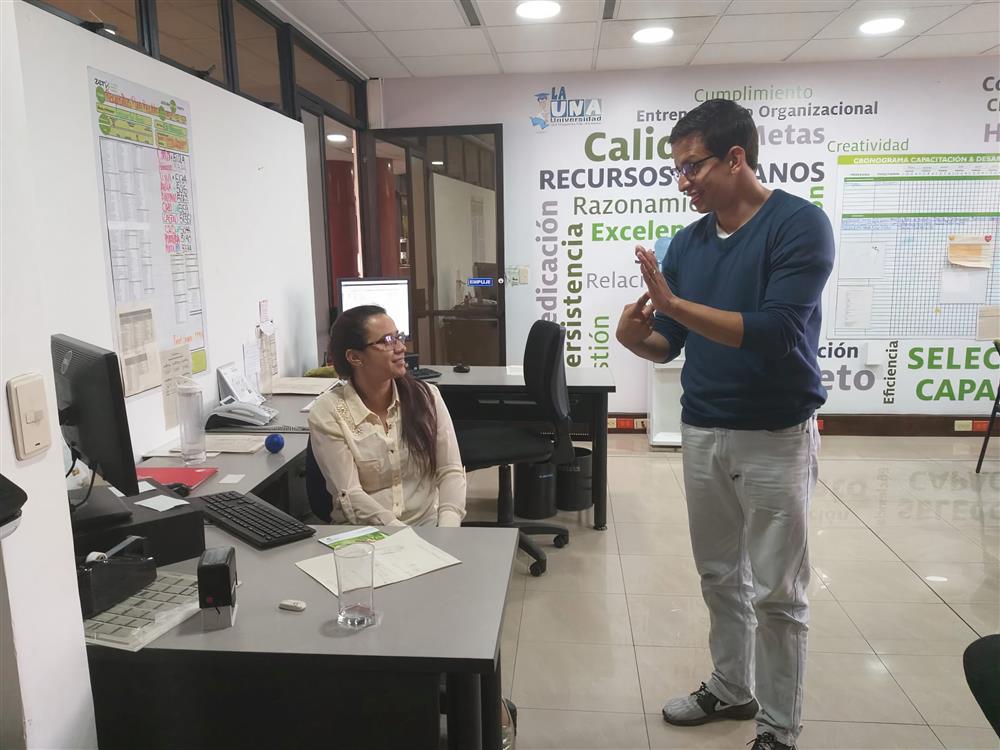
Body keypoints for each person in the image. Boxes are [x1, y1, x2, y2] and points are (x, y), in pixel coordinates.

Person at [616, 99, 834, 750]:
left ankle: (777, 729)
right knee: (719, 576)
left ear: (737, 158)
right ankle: (731, 689)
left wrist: (676, 302)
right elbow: (672, 344)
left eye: (693, 167)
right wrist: (638, 339)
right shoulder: (687, 243)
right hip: (704, 429)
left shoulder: (799, 225)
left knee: (776, 593)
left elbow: (773, 333)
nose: (684, 181)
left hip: (776, 434)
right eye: (678, 170)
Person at [308, 305, 466, 528]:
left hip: (428, 529)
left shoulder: (427, 397)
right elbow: (351, 494)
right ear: (355, 357)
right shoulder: (329, 411)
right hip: (364, 534)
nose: (401, 347)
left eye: (398, 337)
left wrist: (448, 529)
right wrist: (403, 535)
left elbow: (450, 470)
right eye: (387, 341)